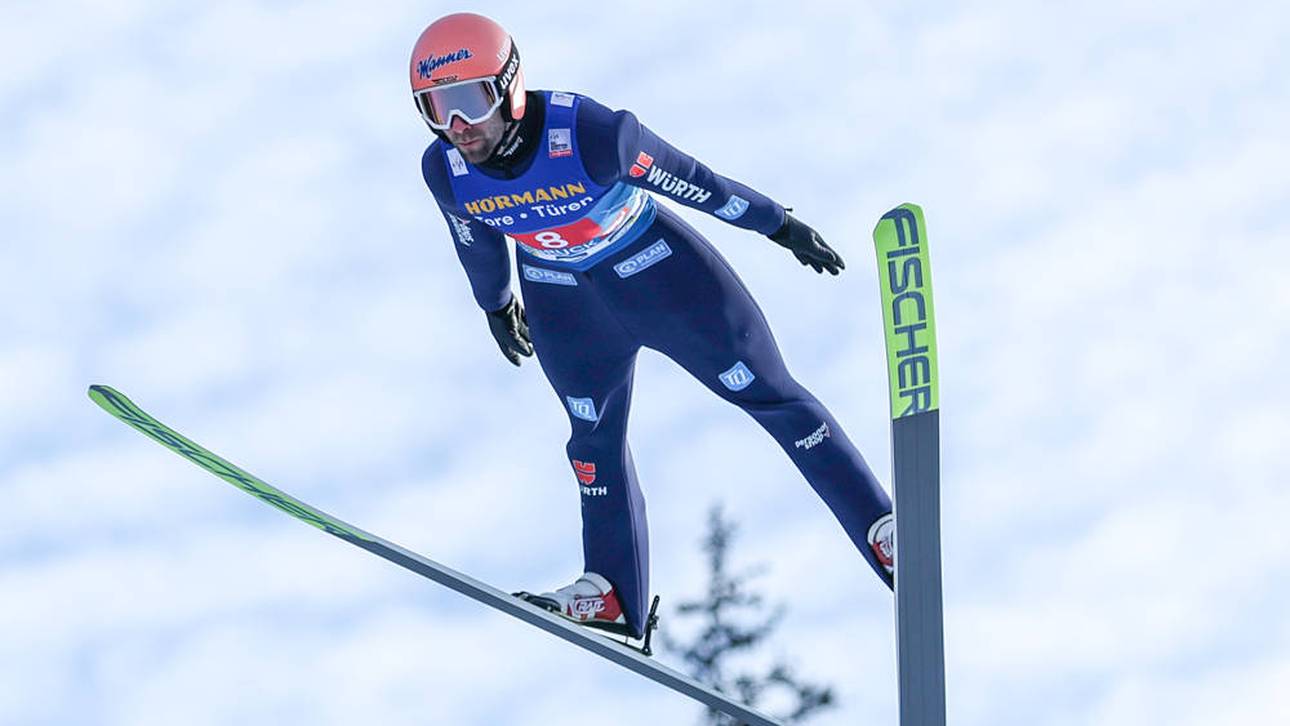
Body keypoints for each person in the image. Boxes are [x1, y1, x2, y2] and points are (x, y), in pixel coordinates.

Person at [412, 12, 895, 640]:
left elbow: (694, 181)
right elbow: (473, 239)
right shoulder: (445, 169)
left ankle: (882, 530)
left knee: (771, 395)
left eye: (467, 102)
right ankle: (611, 593)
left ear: (509, 85)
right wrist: (497, 303)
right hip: (565, 303)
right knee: (591, 439)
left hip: (661, 278)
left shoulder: (590, 134)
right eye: (434, 109)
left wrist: (777, 223)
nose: (456, 127)